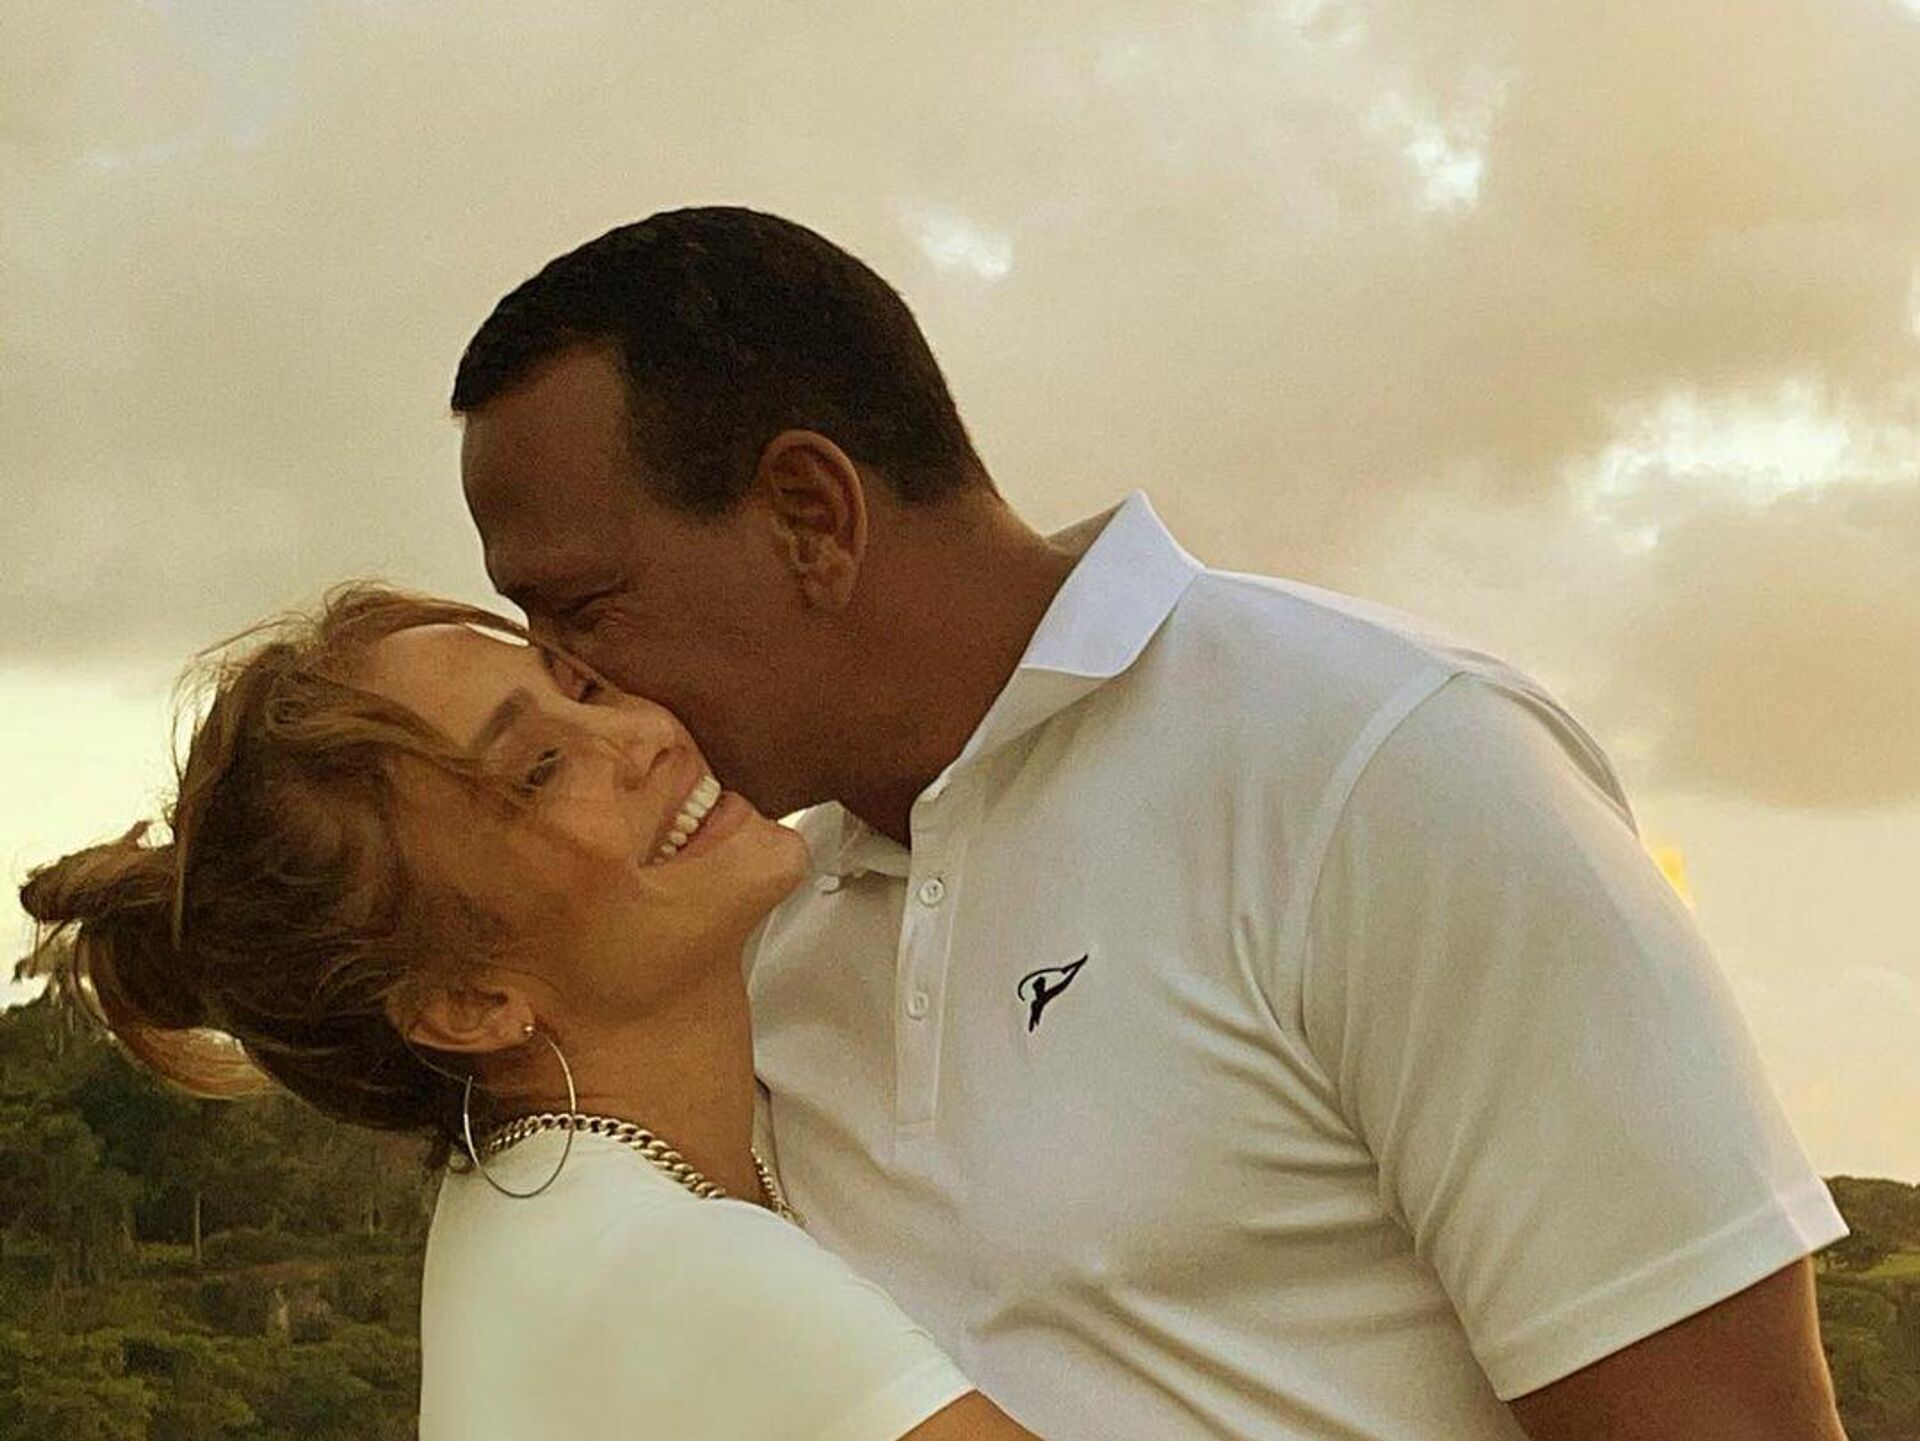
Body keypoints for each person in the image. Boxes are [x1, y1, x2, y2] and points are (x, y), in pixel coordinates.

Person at [449, 205, 1855, 1440]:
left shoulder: (1391, 769)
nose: (571, 681)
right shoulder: (756, 925)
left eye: (584, 608)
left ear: (810, 517)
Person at [19, 587, 1045, 1441]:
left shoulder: (529, 1211)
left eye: (582, 686)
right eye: (541, 771)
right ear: (467, 1003)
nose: (641, 736)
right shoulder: (676, 1273)